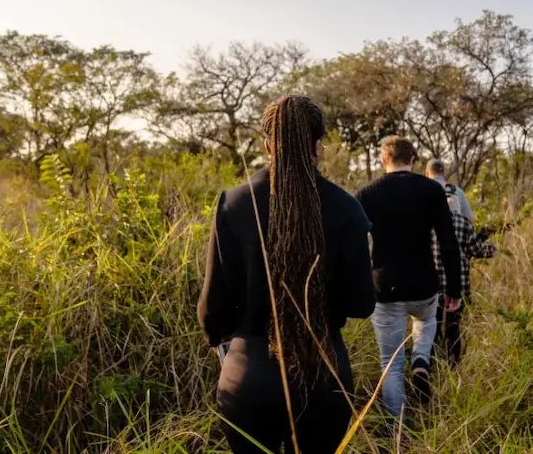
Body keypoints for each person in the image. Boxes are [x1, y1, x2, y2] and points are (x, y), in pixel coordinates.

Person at [198, 96, 376, 454]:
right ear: (318, 147)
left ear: (266, 145)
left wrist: (232, 350)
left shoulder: (232, 203)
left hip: (248, 380)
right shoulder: (347, 208)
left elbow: (212, 311)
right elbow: (361, 304)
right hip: (325, 383)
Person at [354, 136, 462, 422]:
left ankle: (399, 433)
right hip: (424, 283)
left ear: (383, 160)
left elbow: (355, 245)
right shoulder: (430, 190)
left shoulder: (366, 193)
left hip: (385, 286)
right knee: (426, 321)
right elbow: (448, 241)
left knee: (390, 365)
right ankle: (421, 359)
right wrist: (454, 288)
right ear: (413, 159)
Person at [431, 205, 496, 365]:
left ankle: (431, 365)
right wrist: (493, 248)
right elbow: (477, 250)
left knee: (433, 328)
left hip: (433, 287)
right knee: (453, 327)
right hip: (459, 287)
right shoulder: (463, 222)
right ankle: (453, 365)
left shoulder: (427, 222)